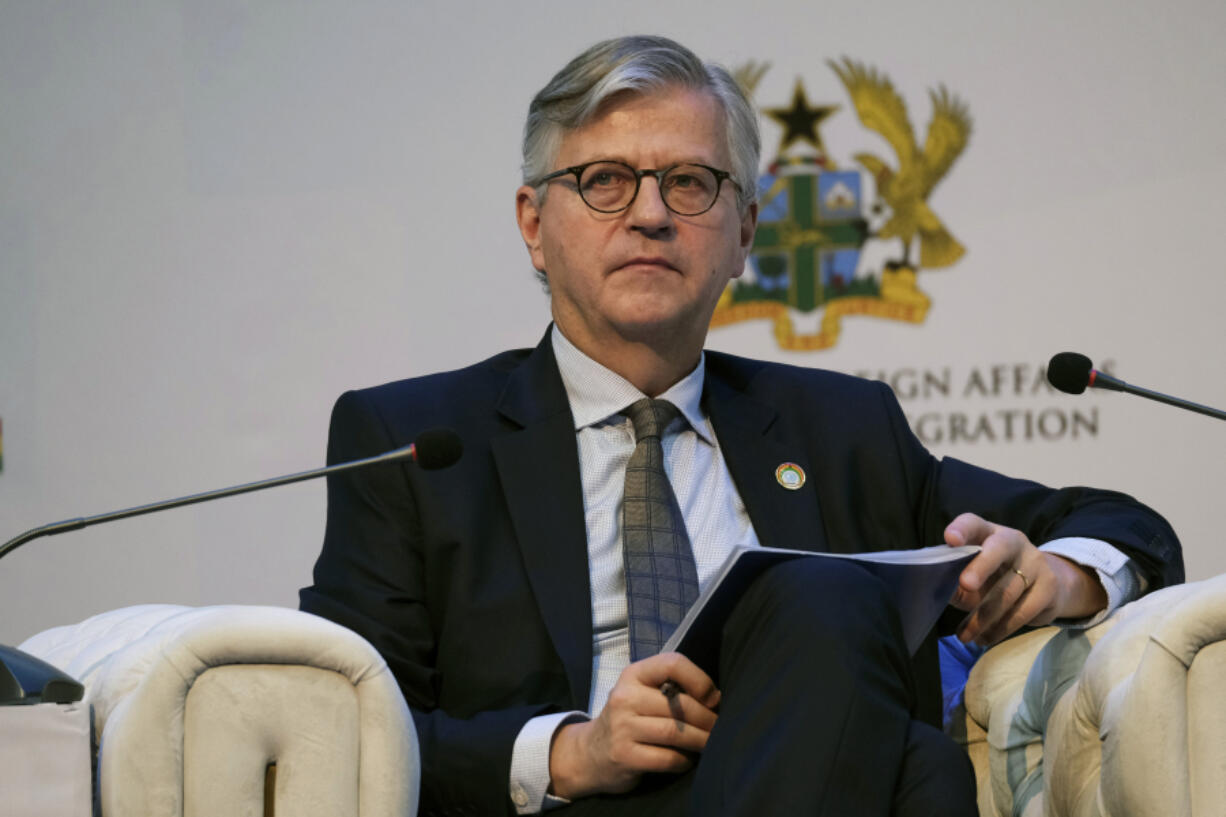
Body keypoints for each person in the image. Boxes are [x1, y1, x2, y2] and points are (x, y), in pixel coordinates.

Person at [300, 35, 1182, 817]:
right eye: (604, 181)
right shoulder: (416, 440)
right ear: (536, 226)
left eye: (689, 182)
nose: (650, 213)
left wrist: (1059, 577)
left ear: (745, 230)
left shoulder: (840, 428)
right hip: (576, 804)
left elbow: (1126, 526)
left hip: (807, 775)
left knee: (837, 627)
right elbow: (350, 721)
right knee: (916, 763)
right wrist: (573, 749)